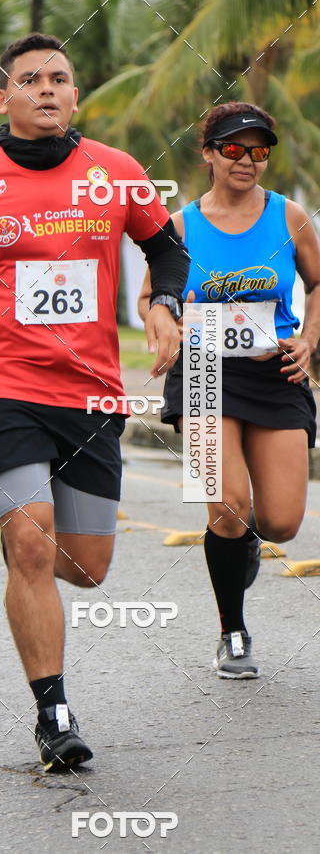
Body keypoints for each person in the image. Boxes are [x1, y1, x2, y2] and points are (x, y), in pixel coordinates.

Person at [0, 33, 189, 771]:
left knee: (86, 566)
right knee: (32, 545)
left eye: (61, 78)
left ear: (75, 94)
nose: (49, 89)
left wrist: (166, 303)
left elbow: (167, 248)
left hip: (90, 391)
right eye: (31, 80)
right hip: (0, 388)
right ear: (4, 98)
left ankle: (23, 539)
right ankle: (53, 712)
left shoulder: (116, 174)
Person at [138, 102, 320, 680]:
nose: (248, 160)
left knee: (284, 522)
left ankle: (240, 543)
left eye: (260, 150)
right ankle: (232, 631)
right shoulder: (181, 226)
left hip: (275, 373)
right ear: (209, 154)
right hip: (202, 370)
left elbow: (319, 283)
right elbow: (149, 298)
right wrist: (163, 323)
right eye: (234, 149)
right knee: (227, 505)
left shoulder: (289, 216)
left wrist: (309, 341)